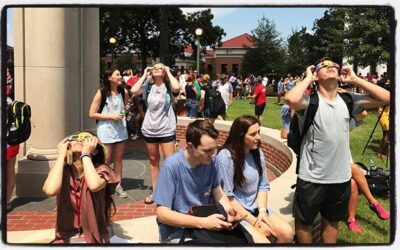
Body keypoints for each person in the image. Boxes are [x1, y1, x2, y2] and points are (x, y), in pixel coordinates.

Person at [285, 57, 390, 243]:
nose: (331, 66)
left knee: (332, 222)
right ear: (317, 75)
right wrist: (308, 78)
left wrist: (356, 80)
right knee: (304, 223)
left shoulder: (349, 100)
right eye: (324, 66)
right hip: (311, 177)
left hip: (340, 178)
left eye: (334, 65)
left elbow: (386, 97)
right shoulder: (309, 101)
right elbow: (291, 99)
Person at [153, 120, 242, 243]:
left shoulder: (211, 161)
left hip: (205, 223)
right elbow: (162, 213)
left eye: (215, 149)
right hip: (178, 229)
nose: (213, 154)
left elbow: (217, 191)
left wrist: (228, 211)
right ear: (190, 146)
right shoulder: (171, 167)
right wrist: (203, 223)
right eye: (207, 151)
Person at [216, 115, 294, 243]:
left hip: (257, 208)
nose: (258, 137)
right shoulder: (226, 157)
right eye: (253, 134)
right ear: (241, 136)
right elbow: (228, 197)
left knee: (287, 234)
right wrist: (255, 223)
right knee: (263, 242)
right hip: (237, 213)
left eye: (259, 132)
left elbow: (263, 186)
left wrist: (262, 212)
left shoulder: (257, 152)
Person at [42, 132, 118, 243]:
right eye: (75, 138)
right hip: (65, 237)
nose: (79, 140)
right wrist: (60, 157)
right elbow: (50, 190)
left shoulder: (101, 170)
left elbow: (94, 185)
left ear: (95, 150)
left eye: (86, 139)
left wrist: (85, 154)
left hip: (94, 238)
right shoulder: (62, 171)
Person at [130, 63, 180, 204]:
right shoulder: (148, 87)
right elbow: (134, 90)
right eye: (155, 68)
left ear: (163, 72)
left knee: (170, 161)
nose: (157, 69)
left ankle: (172, 190)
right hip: (150, 129)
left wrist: (168, 71)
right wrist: (145, 75)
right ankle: (156, 191)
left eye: (160, 68)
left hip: (166, 128)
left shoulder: (169, 87)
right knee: (153, 160)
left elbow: (177, 87)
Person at [89, 69, 129, 198]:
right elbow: (92, 114)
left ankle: (117, 185)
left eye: (120, 74)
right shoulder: (101, 93)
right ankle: (102, 184)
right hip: (106, 130)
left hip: (121, 130)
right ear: (109, 78)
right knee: (105, 159)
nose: (120, 76)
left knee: (118, 159)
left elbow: (125, 108)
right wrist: (112, 116)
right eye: (117, 74)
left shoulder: (123, 91)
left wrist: (125, 111)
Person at [6, 67, 20, 210]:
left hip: (9, 139)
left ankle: (6, 201)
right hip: (12, 138)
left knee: (9, 169)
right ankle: (7, 201)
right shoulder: (10, 101)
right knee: (10, 169)